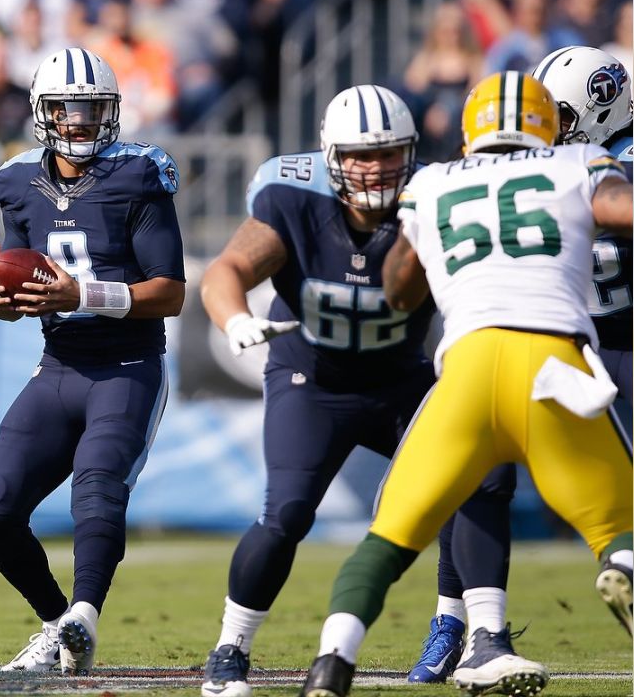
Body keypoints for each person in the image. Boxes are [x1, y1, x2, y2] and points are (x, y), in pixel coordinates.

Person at [299, 71, 633, 697]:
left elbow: (398, 290)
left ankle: (333, 660)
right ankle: (628, 570)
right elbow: (628, 212)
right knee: (621, 526)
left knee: (389, 539)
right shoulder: (579, 161)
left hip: (469, 370)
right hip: (553, 367)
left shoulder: (431, 183)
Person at [196, 85, 516, 697]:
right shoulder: (293, 196)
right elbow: (226, 271)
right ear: (330, 156)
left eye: (389, 155)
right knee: (286, 513)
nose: (374, 170)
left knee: (483, 473)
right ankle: (230, 648)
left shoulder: (436, 196)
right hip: (314, 380)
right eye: (359, 157)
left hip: (401, 379)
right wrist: (235, 318)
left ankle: (480, 637)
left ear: (411, 153)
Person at [0, 47, 185, 675]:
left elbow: (170, 293)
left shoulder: (138, 175)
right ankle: (54, 623)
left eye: (92, 108)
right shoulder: (16, 182)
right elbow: (12, 280)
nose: (80, 121)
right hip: (59, 366)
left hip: (127, 368)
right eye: (67, 109)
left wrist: (81, 293)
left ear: (111, 111)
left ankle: (85, 616)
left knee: (96, 491)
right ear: (43, 113)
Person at [534, 45, 633, 431]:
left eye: (558, 117)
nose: (544, 130)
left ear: (601, 105)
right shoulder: (551, 165)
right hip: (577, 344)